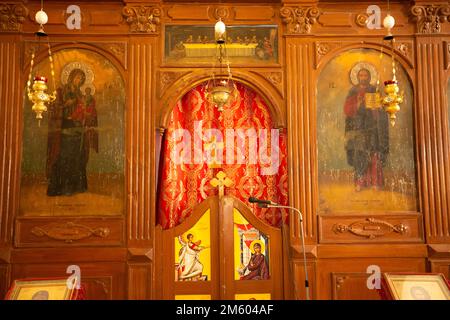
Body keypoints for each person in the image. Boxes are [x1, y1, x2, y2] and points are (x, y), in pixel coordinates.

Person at [46, 68, 98, 196]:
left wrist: (87, 114)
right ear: (70, 77)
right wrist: (66, 105)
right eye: (77, 77)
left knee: (77, 157)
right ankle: (62, 187)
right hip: (65, 128)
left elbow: (87, 111)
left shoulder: (81, 95)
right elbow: (54, 108)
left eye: (81, 78)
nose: (78, 80)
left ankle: (76, 187)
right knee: (64, 156)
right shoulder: (60, 92)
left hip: (78, 129)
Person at [344, 67, 389, 192]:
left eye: (365, 75)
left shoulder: (374, 90)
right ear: (357, 77)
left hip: (372, 127)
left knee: (374, 154)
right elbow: (347, 109)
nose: (363, 78)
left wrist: (377, 108)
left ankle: (375, 182)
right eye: (361, 75)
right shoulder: (353, 91)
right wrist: (357, 103)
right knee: (360, 155)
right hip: (358, 128)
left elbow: (381, 108)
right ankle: (360, 183)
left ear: (369, 77)